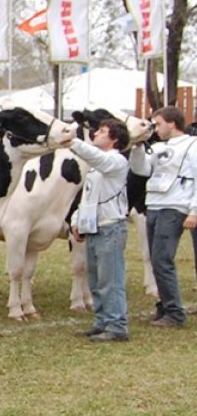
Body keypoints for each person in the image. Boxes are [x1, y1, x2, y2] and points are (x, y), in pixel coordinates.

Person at [130, 106, 197, 327]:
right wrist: (138, 147)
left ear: (172, 123)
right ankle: (164, 305)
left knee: (162, 259)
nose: (156, 129)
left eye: (158, 124)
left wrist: (194, 210)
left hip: (175, 205)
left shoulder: (192, 145)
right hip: (155, 204)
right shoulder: (158, 147)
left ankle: (175, 313)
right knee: (156, 258)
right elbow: (141, 170)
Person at [70, 119, 131, 342]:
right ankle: (102, 321)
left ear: (114, 139)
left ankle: (117, 326)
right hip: (95, 227)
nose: (96, 133)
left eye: (103, 131)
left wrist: (72, 141)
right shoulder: (97, 165)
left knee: (110, 280)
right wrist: (78, 220)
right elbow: (87, 196)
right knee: (96, 280)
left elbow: (99, 159)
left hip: (111, 227)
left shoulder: (116, 161)